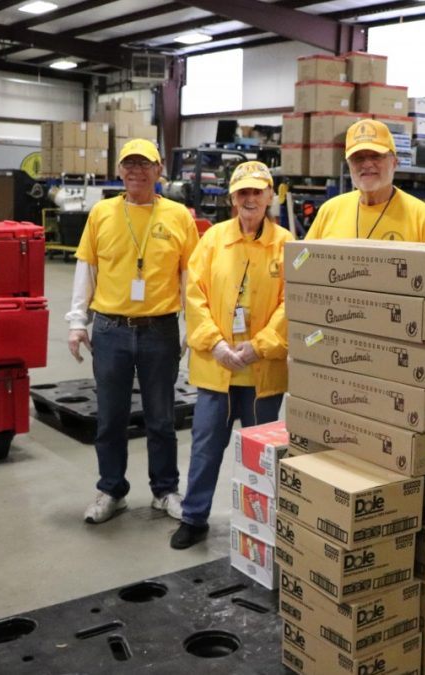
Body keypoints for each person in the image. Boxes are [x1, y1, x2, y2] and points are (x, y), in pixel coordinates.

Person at [67, 138, 199, 524]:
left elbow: (190, 275)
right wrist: (78, 322)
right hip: (110, 330)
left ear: (160, 171)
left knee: (161, 418)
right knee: (111, 418)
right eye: (130, 164)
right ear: (120, 171)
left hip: (160, 330)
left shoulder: (178, 216)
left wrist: (192, 326)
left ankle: (165, 490)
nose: (137, 171)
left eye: (145, 164)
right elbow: (86, 269)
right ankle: (112, 490)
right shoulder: (102, 214)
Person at [171, 161, 293, 550]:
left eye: (258, 192)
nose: (250, 199)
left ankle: (262, 523)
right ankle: (194, 517)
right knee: (205, 449)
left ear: (270, 195)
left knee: (262, 456)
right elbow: (194, 297)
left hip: (263, 376)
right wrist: (216, 344)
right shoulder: (212, 241)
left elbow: (292, 305)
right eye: (243, 193)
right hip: (216, 371)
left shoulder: (287, 244)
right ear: (231, 199)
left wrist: (260, 346)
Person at [304, 118, 425, 241]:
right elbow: (301, 259)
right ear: (348, 165)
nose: (367, 164)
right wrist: (294, 263)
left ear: (394, 162)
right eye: (358, 158)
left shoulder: (423, 218)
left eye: (375, 156)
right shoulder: (329, 211)